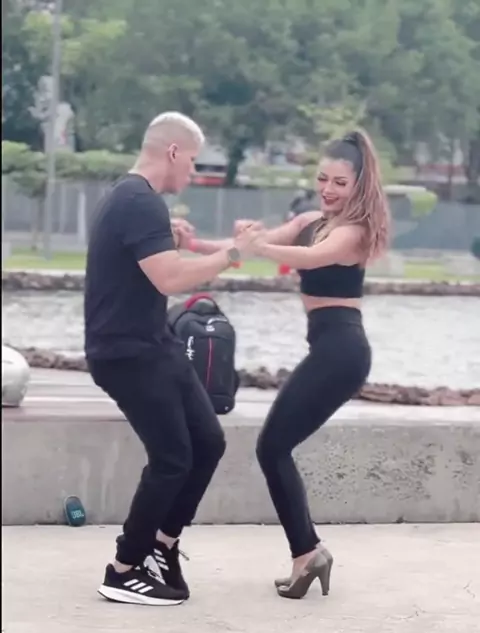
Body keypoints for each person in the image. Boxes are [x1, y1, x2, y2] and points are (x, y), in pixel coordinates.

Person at [190, 129, 390, 599]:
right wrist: (194, 243)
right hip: (327, 350)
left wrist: (259, 247)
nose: (328, 189)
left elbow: (309, 257)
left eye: (339, 182)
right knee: (273, 447)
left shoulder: (354, 233)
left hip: (344, 353)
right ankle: (307, 554)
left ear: (359, 185)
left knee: (272, 447)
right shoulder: (309, 220)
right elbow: (243, 247)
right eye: (323, 179)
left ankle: (308, 552)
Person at [84, 111, 259, 606]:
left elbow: (153, 262)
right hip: (126, 353)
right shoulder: (139, 201)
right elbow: (171, 279)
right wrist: (234, 254)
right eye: (193, 161)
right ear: (174, 151)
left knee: (208, 442)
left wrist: (173, 239)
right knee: (172, 459)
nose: (193, 172)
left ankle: (163, 544)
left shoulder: (135, 199)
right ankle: (123, 569)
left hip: (154, 344)